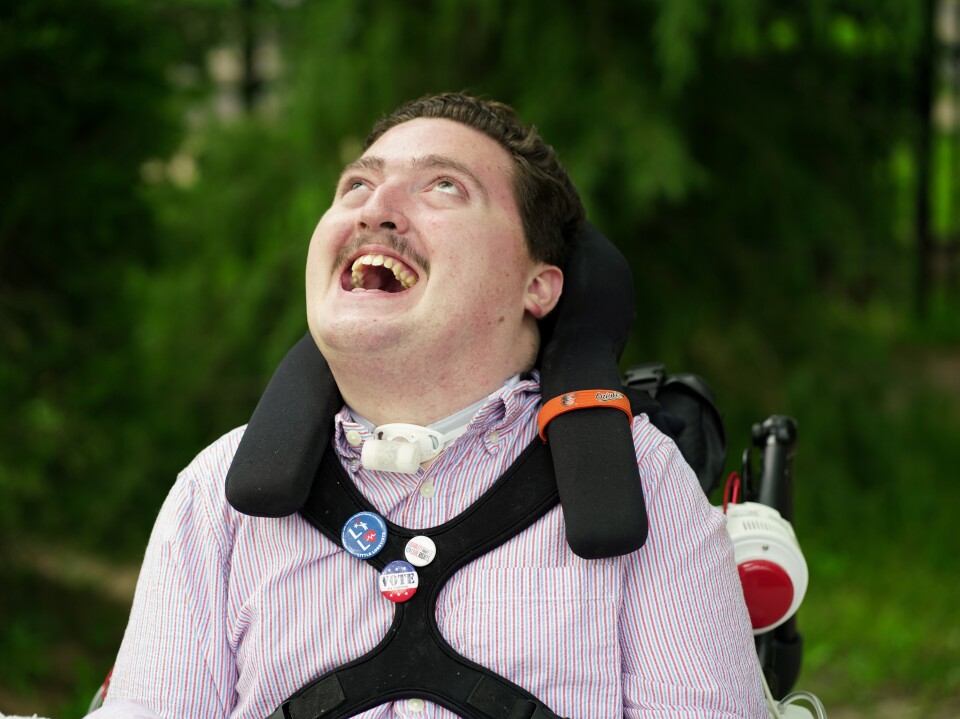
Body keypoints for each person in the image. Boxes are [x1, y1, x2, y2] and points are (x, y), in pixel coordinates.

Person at [89, 92, 767, 718]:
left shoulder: (647, 483)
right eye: (356, 183)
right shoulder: (214, 499)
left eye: (444, 185)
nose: (374, 207)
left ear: (540, 285)